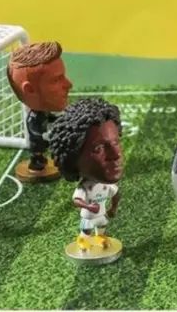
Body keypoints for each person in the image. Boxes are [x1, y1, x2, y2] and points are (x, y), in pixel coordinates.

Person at [49, 97, 124, 259]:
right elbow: (77, 200)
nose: (116, 154)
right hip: (89, 217)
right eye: (98, 149)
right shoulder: (85, 189)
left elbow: (116, 194)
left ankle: (101, 237)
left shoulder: (106, 187)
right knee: (87, 229)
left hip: (101, 215)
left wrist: (113, 208)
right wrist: (88, 207)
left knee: (102, 226)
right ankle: (83, 240)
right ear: (72, 158)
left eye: (116, 143)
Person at [7, 41, 73, 182]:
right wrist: (48, 135)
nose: (69, 84)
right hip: (39, 145)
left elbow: (49, 118)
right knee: (39, 154)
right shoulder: (33, 118)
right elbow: (36, 131)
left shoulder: (44, 112)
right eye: (56, 80)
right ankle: (36, 163)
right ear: (30, 90)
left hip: (45, 142)